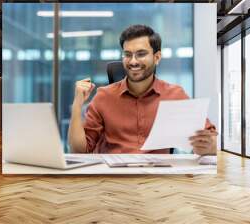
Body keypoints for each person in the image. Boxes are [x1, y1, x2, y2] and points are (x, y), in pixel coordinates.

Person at [68, 24, 217, 155]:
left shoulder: (174, 94)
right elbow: (79, 151)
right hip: (113, 178)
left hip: (158, 179)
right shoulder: (104, 96)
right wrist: (76, 106)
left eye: (141, 54)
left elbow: (209, 139)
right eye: (127, 54)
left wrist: (207, 146)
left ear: (157, 57)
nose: (133, 61)